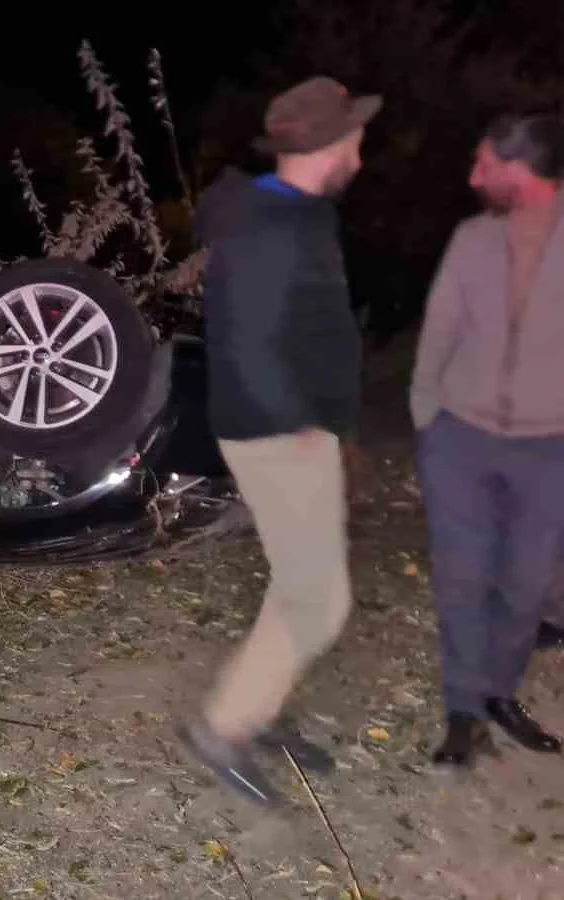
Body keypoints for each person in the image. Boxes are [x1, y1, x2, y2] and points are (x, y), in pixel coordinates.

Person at [179, 76, 380, 806]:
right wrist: (299, 427)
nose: (363, 147)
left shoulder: (294, 213)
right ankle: (222, 728)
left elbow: (309, 327)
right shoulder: (271, 225)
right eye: (355, 135)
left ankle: (257, 709)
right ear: (328, 145)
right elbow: (253, 341)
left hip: (294, 426)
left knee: (299, 584)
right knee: (318, 600)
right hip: (277, 432)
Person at [409, 111, 564, 766]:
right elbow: (439, 327)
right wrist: (427, 416)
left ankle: (500, 691)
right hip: (461, 439)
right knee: (462, 579)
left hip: (550, 447)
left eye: (484, 165)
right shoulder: (472, 238)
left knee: (525, 585)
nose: (473, 177)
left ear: (520, 169)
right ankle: (463, 712)